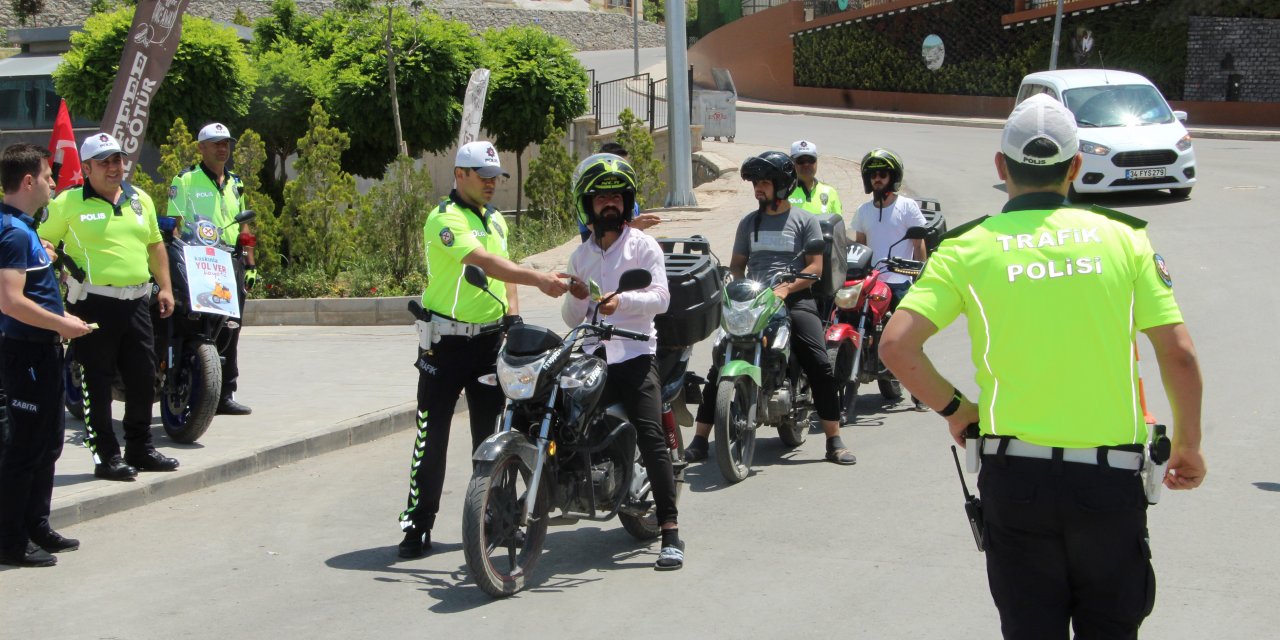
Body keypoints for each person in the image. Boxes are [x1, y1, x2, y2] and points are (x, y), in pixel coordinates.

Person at [880, 94, 1206, 639]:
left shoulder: (967, 248)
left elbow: (896, 346)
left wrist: (958, 410)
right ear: (1076, 166)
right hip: (1109, 482)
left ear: (1001, 167)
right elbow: (1179, 353)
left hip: (1017, 481)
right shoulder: (1125, 239)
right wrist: (1190, 446)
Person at [397, 140, 570, 559]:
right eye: (485, 176)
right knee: (431, 436)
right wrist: (540, 278)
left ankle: (496, 515)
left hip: (490, 341)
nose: (493, 184)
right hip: (445, 344)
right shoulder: (444, 219)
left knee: (495, 434)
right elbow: (485, 263)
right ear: (460, 175)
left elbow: (504, 272)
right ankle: (418, 524)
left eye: (497, 177)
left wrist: (512, 320)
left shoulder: (496, 221)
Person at [683, 151, 856, 466]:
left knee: (818, 362)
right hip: (756, 298)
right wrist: (735, 285)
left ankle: (834, 440)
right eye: (755, 183)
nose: (757, 189)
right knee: (720, 360)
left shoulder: (804, 221)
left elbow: (816, 268)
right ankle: (699, 440)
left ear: (781, 185)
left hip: (796, 296)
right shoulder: (749, 223)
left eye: (764, 182)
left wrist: (787, 288)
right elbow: (738, 265)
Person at [561, 153, 685, 570]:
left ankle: (670, 530)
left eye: (616, 197)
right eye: (601, 198)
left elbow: (661, 298)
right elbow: (572, 317)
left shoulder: (643, 246)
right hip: (594, 354)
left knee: (650, 434)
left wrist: (622, 302)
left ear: (627, 201)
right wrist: (576, 300)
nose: (609, 204)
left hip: (634, 353)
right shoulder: (581, 256)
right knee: (562, 416)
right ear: (588, 205)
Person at [39, 133, 179, 481]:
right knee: (96, 384)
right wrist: (47, 254)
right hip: (91, 304)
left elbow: (155, 245)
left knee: (144, 377)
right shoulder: (67, 203)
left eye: (118, 159)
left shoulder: (140, 200)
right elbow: (43, 241)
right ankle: (106, 457)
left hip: (137, 303)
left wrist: (166, 288)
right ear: (86, 168)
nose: (115, 167)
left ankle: (140, 447)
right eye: (105, 162)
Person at [0, 144, 93, 567]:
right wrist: (62, 324)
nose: (54, 183)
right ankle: (12, 540)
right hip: (27, 353)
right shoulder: (15, 232)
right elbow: (11, 302)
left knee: (49, 443)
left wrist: (60, 316)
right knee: (25, 448)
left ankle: (37, 524)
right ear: (27, 181)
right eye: (47, 176)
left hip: (44, 351)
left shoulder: (23, 228)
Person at [168, 122, 254, 416]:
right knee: (197, 323)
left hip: (230, 260)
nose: (222, 148)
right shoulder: (185, 180)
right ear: (201, 147)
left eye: (226, 143)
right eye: (216, 143)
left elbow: (244, 225)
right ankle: (194, 386)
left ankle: (224, 393)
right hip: (198, 261)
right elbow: (174, 227)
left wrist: (250, 264)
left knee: (231, 327)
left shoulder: (235, 182)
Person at [852, 148, 929, 410]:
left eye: (882, 174)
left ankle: (920, 393)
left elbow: (919, 245)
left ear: (892, 177)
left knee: (909, 339)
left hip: (900, 281)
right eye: (873, 175)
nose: (877, 179)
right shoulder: (863, 211)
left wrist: (920, 275)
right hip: (872, 283)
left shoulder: (907, 206)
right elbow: (859, 247)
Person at [576, 142, 661, 242]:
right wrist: (633, 224)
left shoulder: (632, 204)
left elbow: (637, 238)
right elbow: (593, 235)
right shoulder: (588, 202)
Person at [786, 140, 841, 215]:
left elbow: (838, 223)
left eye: (811, 160)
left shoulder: (830, 192)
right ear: (791, 163)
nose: (806, 165)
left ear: (816, 162)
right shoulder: (784, 193)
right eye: (801, 160)